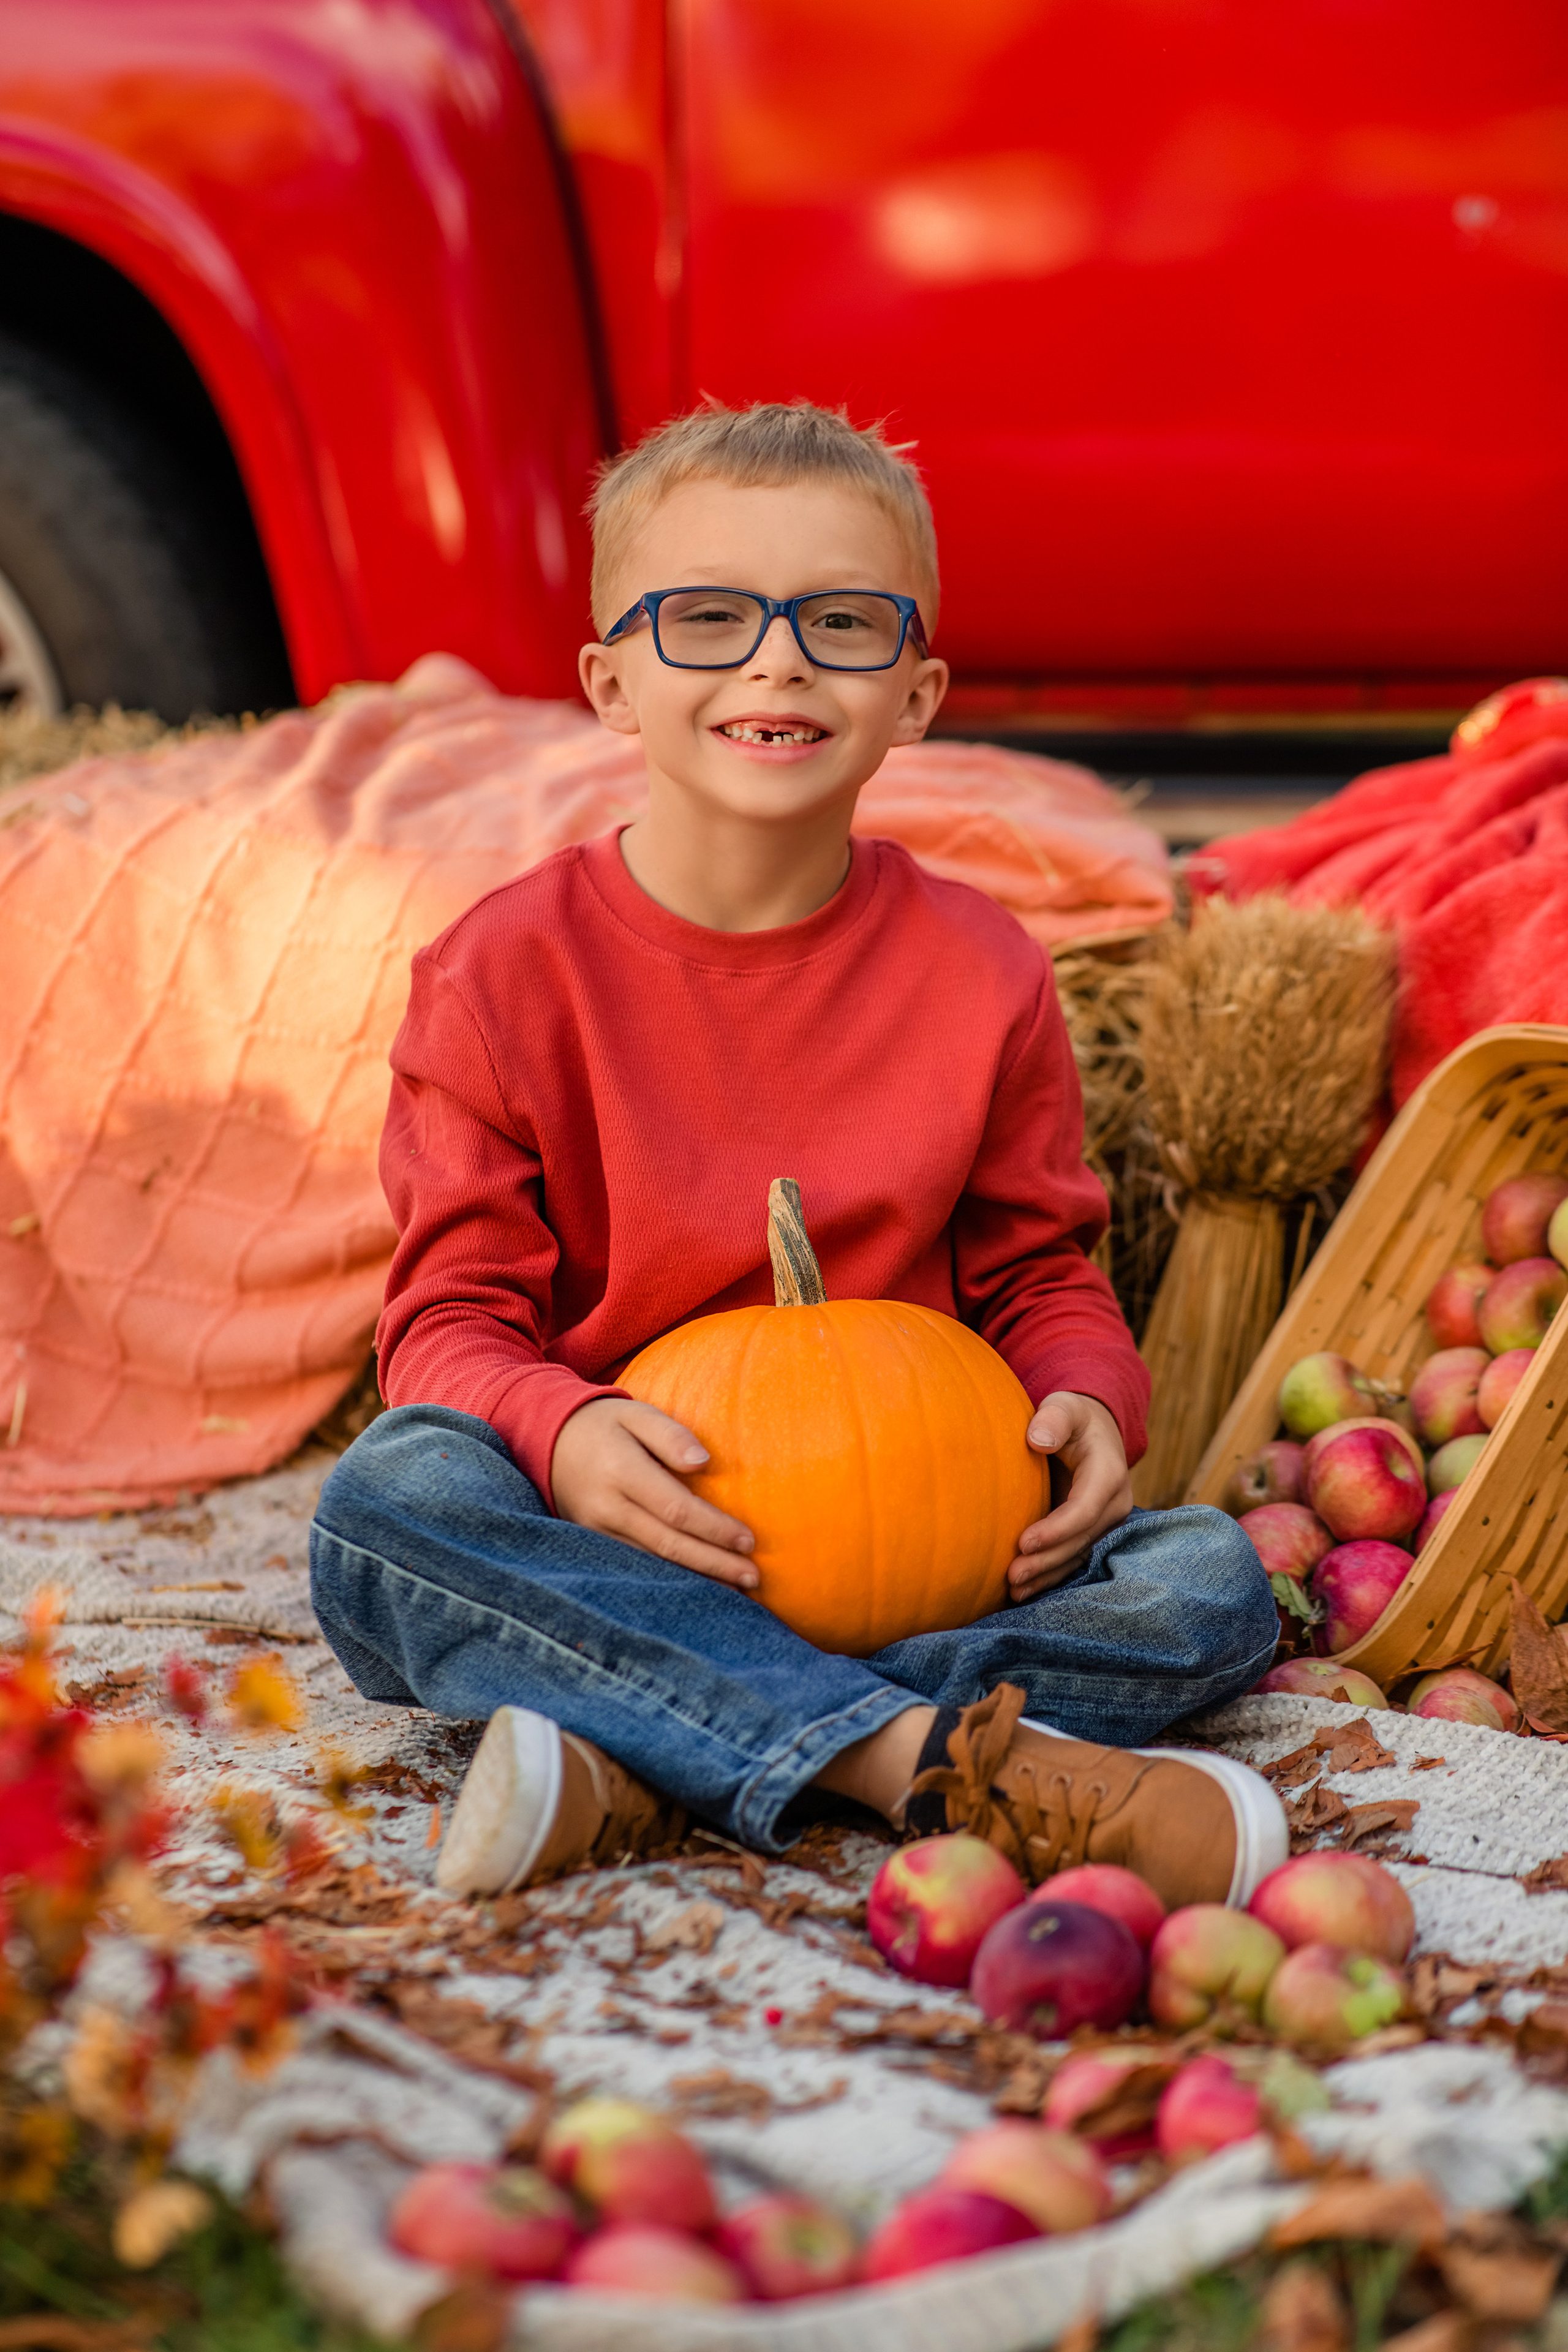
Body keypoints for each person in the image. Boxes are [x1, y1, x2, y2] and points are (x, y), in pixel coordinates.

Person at [309, 401, 1285, 1910]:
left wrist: (1089, 1396)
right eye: (706, 617)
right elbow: (445, 1331)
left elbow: (1035, 1270)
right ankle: (922, 1761)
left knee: (1208, 1580)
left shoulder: (981, 972)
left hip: (919, 1533)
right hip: (630, 1534)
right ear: (609, 684)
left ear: (915, 693)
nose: (776, 660)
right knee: (393, 1500)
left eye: (840, 622)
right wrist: (557, 1435)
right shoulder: (502, 978)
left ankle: (643, 1756)